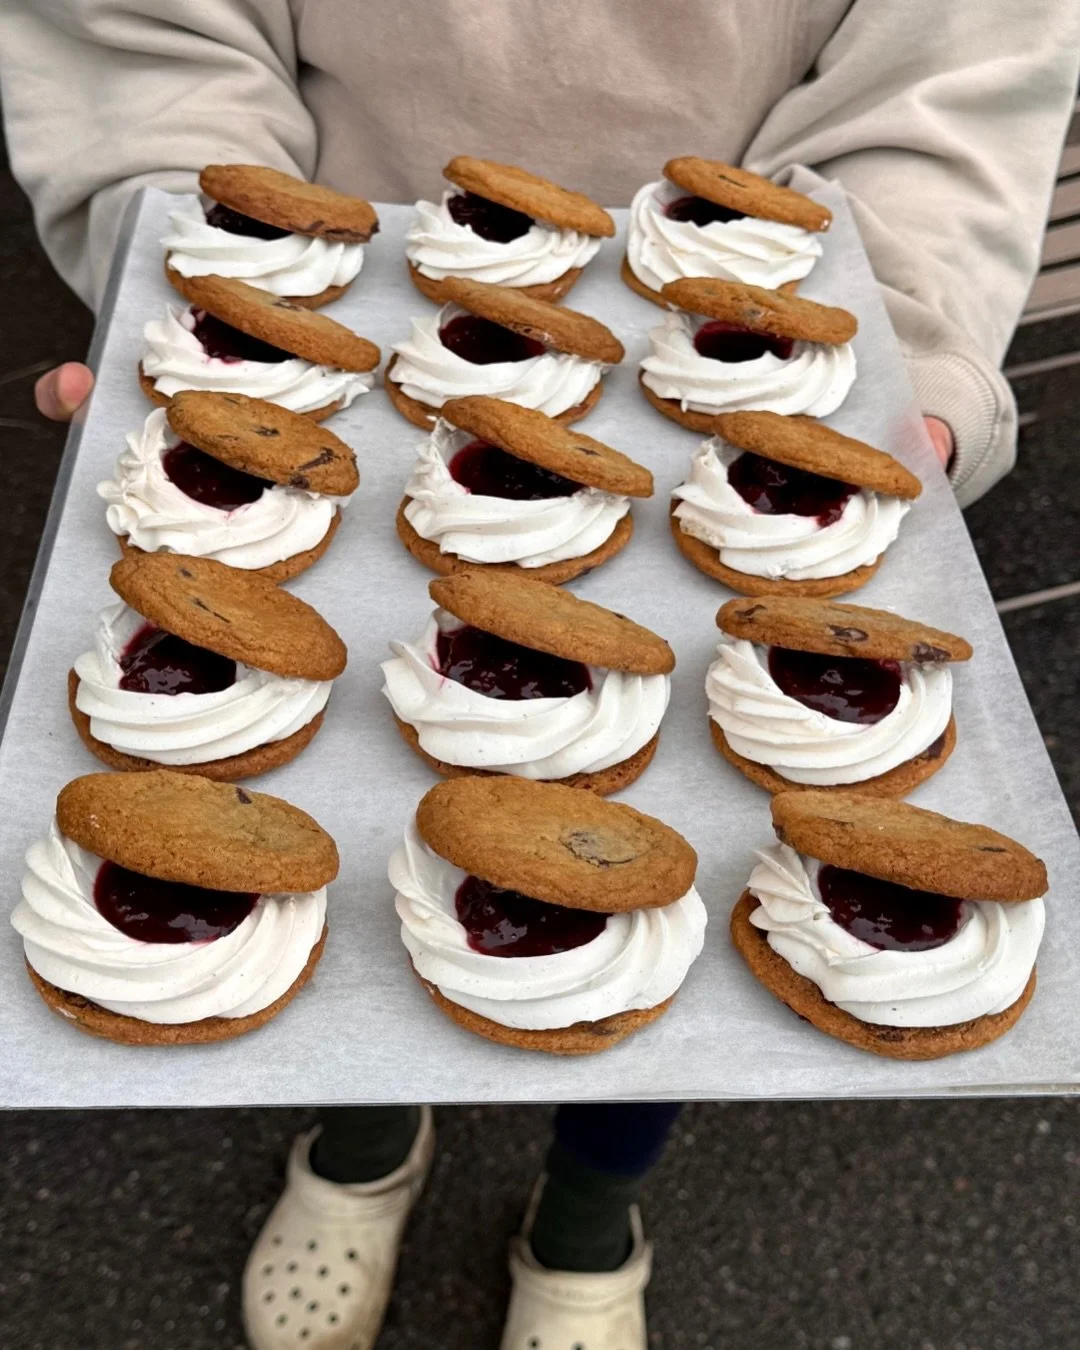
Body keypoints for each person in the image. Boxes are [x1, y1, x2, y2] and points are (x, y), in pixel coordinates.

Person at [3, 4, 1077, 1347]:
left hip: (747, 302)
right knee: (415, 919)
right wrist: (181, 261)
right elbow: (148, 50)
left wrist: (892, 359)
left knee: (657, 933)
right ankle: (367, 1127)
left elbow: (955, 80)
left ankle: (586, 1214)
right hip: (352, 251)